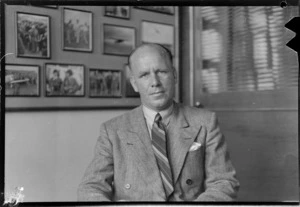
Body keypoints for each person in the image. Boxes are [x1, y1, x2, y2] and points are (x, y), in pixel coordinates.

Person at [77, 43, 239, 201]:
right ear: (134, 83)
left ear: (174, 75)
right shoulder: (113, 130)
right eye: (144, 75)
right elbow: (91, 186)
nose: (155, 82)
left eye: (161, 71)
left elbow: (223, 182)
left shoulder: (205, 122)